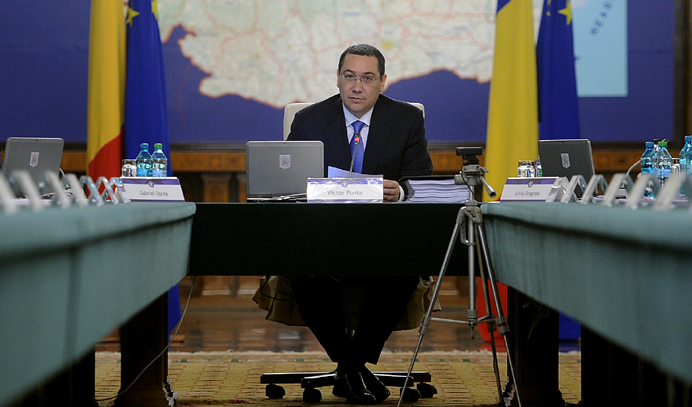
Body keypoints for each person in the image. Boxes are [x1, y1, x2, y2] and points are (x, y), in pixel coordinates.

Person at [286, 43, 434, 405]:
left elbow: (420, 183)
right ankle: (354, 369)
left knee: (404, 271)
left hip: (385, 240)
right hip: (323, 238)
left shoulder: (406, 119)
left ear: (382, 82)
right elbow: (287, 188)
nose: (357, 86)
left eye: (367, 78)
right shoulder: (308, 120)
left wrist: (401, 191)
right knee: (301, 270)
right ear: (337, 78)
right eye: (349, 76)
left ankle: (349, 368)